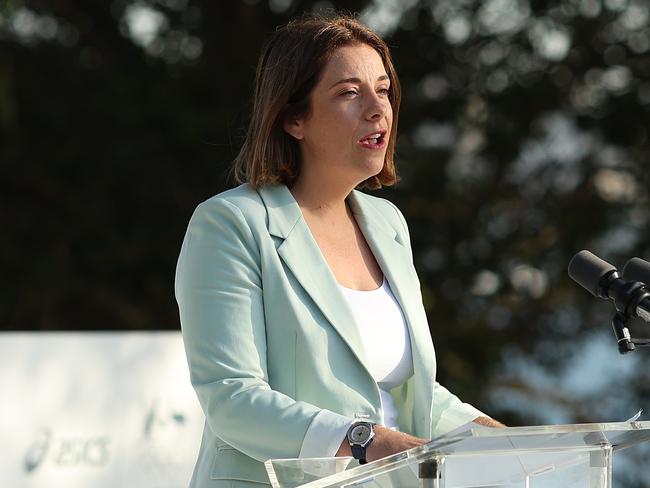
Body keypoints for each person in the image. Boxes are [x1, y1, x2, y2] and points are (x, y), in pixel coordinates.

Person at [175, 13, 502, 488]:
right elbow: (232, 397)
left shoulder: (388, 224)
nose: (378, 109)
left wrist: (508, 439)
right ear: (293, 118)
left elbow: (411, 393)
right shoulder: (230, 225)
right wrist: (363, 438)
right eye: (350, 93)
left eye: (384, 89)